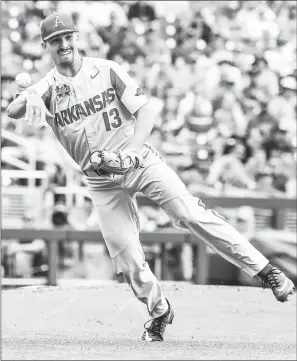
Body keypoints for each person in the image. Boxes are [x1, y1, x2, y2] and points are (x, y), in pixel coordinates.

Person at [7, 13, 295, 342]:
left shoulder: (107, 70)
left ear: (77, 37)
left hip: (138, 160)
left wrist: (130, 151)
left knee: (188, 212)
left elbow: (146, 111)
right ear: (46, 46)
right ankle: (159, 310)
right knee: (124, 254)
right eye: (56, 40)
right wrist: (28, 95)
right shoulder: (47, 86)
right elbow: (14, 110)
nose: (64, 44)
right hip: (100, 180)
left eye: (68, 37)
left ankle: (265, 271)